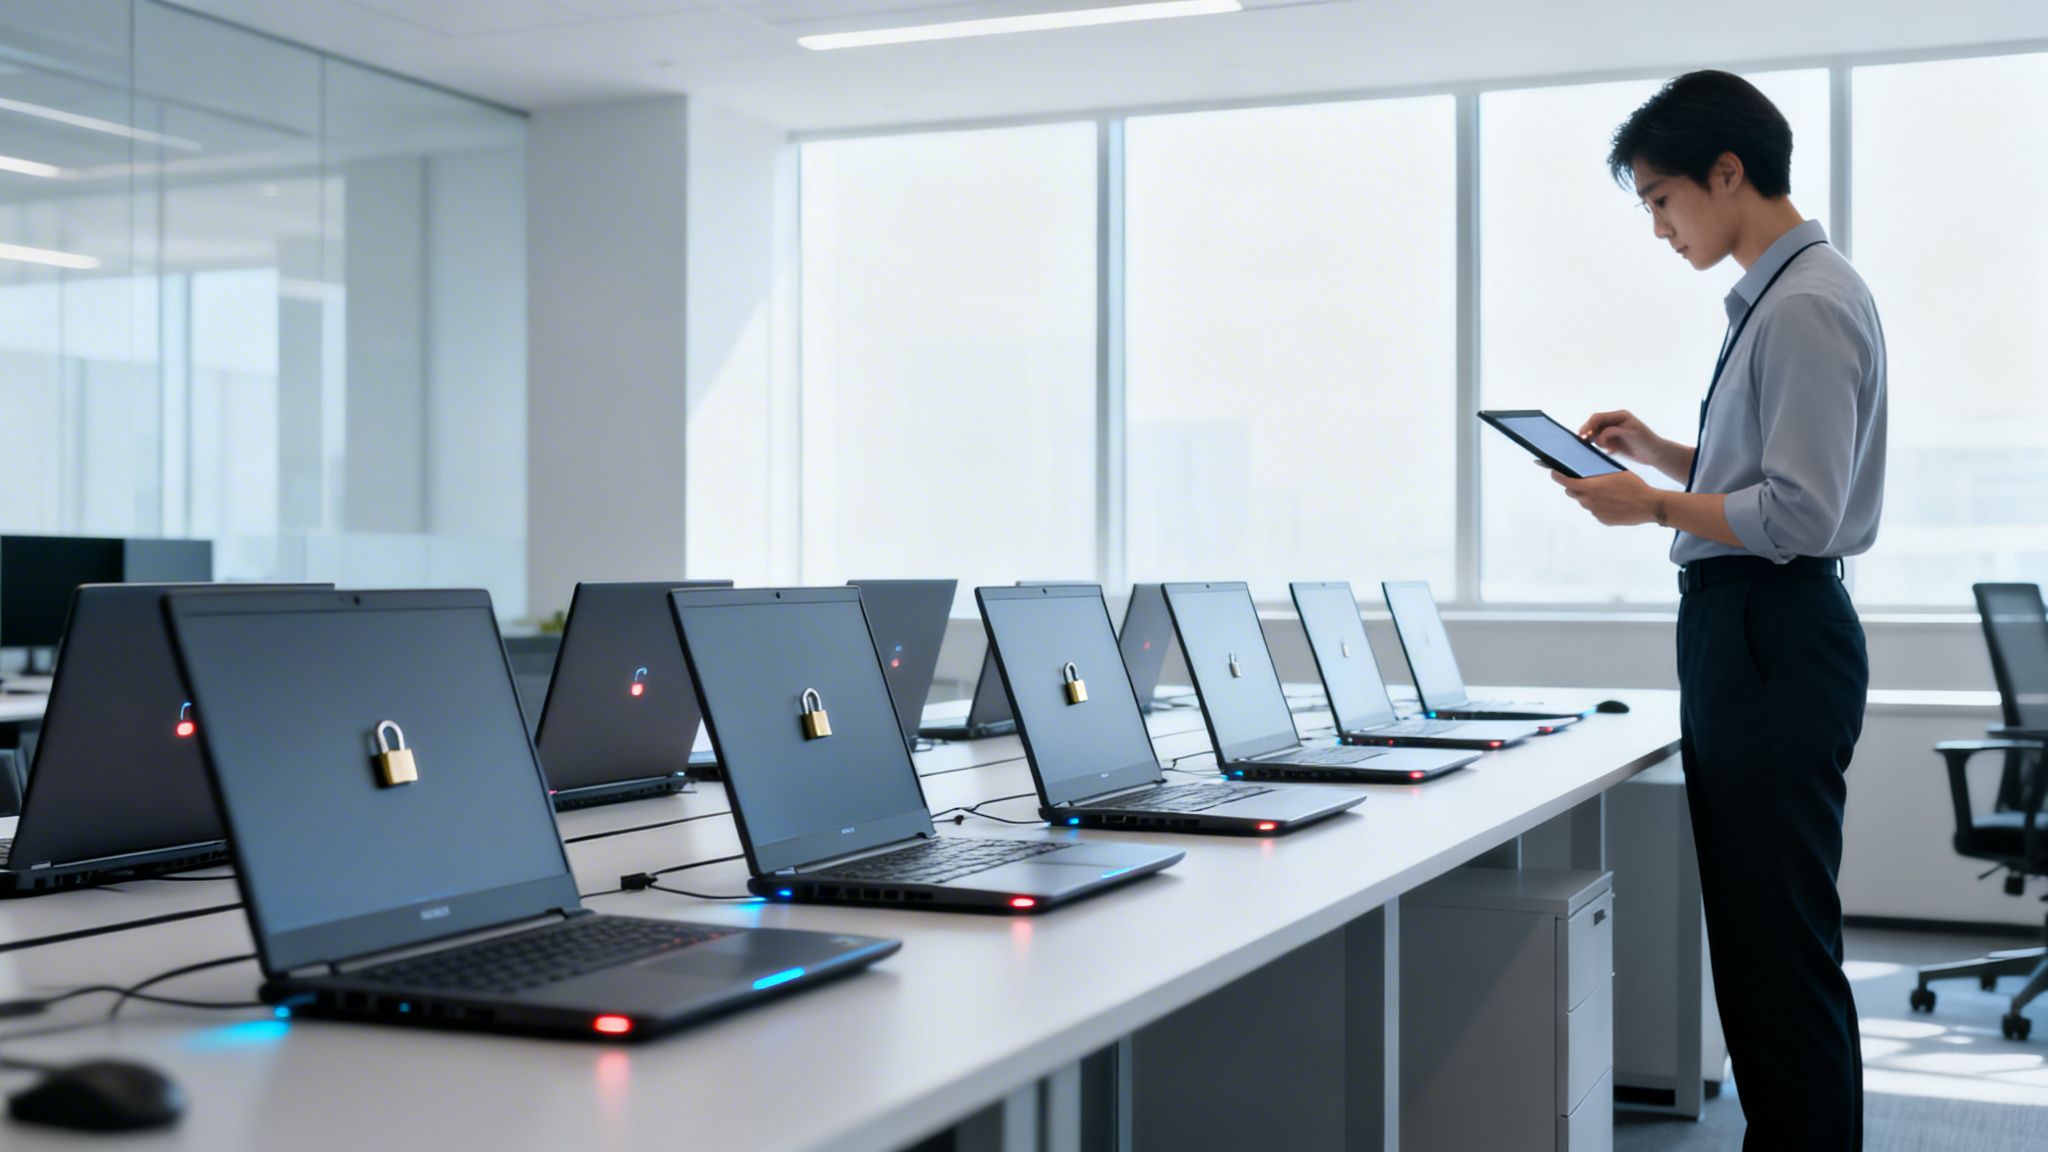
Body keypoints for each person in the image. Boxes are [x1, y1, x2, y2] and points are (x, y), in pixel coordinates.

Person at [1555, 71, 1886, 1150]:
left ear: (1727, 173)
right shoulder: (1785, 299)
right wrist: (1663, 455)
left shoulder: (1804, 305)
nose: (1659, 228)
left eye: (1661, 199)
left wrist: (1650, 503)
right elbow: (1770, 476)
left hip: (1768, 628)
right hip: (1755, 627)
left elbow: (1798, 511)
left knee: (1777, 951)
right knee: (1761, 944)